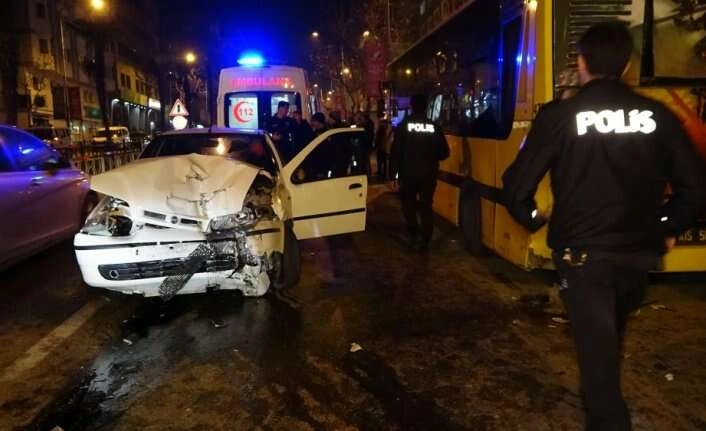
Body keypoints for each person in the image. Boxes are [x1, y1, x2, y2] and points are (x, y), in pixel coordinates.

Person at [502, 22, 705, 431]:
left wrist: (534, 219)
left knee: (600, 372)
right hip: (637, 256)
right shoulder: (658, 116)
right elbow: (696, 187)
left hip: (583, 259)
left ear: (581, 63)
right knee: (607, 345)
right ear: (627, 65)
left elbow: (517, 185)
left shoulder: (560, 116)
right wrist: (665, 225)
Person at [391, 94, 450, 252]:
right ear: (425, 107)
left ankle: (413, 231)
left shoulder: (404, 126)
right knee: (426, 206)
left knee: (408, 203)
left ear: (411, 106)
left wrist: (393, 175)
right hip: (428, 175)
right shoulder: (433, 126)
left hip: (408, 174)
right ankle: (426, 238)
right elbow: (444, 152)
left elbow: (396, 152)